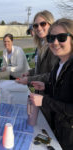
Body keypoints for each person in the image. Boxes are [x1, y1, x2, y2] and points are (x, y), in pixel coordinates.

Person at [30, 18, 73, 150]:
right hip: (58, 129)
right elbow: (64, 92)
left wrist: (44, 101)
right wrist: (47, 86)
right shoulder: (59, 64)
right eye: (51, 38)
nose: (55, 42)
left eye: (61, 37)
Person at [16, 10, 59, 125]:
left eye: (43, 24)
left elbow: (53, 74)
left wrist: (29, 80)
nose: (39, 28)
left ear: (51, 24)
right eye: (35, 25)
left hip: (51, 99)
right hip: (40, 95)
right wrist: (30, 73)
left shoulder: (54, 46)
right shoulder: (42, 45)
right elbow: (40, 68)